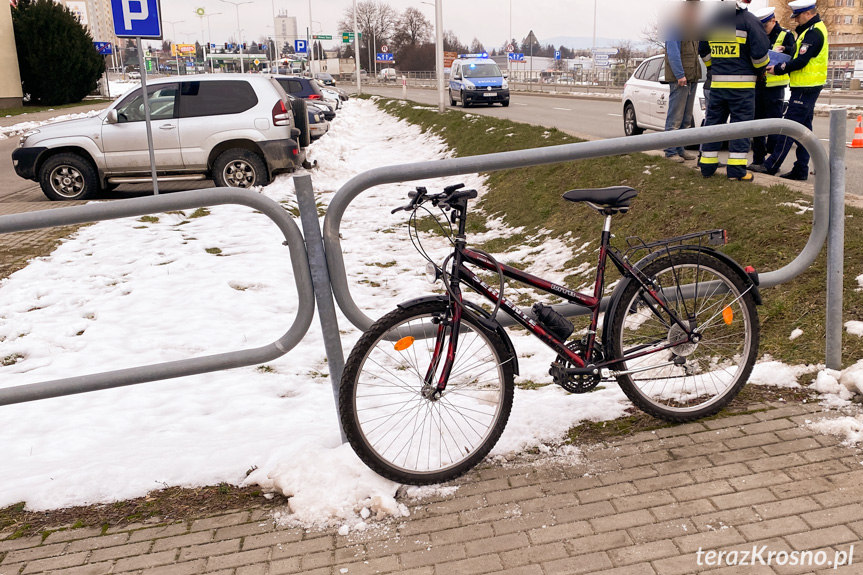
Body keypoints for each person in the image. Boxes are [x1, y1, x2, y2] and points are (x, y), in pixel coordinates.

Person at [749, 0, 828, 181]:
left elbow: (802, 61)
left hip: (805, 88)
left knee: (789, 129)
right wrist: (789, 49)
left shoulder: (814, 32)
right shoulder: (810, 31)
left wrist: (778, 69)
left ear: (809, 13)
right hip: (805, 87)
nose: (796, 20)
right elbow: (801, 53)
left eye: (798, 16)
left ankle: (771, 165)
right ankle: (800, 168)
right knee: (804, 131)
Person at [698, 2, 771, 181]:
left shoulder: (711, 21)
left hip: (717, 86)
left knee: (713, 125)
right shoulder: (750, 21)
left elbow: (703, 51)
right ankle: (737, 170)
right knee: (741, 128)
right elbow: (760, 57)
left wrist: (714, 68)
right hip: (742, 88)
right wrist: (759, 71)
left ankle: (707, 166)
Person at [751, 7, 795, 166]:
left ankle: (771, 158)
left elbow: (794, 55)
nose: (763, 30)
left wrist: (786, 49)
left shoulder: (785, 35)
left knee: (775, 125)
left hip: (775, 88)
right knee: (757, 125)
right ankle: (757, 160)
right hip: (759, 85)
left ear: (773, 21)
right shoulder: (757, 35)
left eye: (765, 26)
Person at [662, 0, 702, 163]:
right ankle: (670, 151)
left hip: (691, 77)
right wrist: (680, 75)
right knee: (675, 117)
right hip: (681, 79)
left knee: (686, 118)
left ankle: (680, 148)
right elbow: (673, 53)